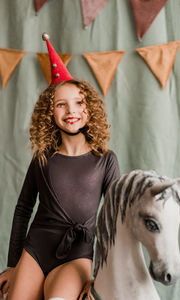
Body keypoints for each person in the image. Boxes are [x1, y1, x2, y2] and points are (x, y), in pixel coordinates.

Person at [0, 33, 120, 300]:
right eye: (61, 105)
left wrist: (100, 276)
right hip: (36, 249)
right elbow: (23, 209)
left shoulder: (106, 159)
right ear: (50, 113)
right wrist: (13, 265)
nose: (71, 111)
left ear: (89, 109)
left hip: (78, 255)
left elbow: (114, 223)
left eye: (78, 102)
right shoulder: (43, 157)